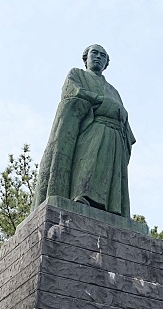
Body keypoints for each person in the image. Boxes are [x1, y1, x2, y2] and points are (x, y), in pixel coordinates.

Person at [34, 44, 136, 217]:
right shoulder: (77, 74)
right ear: (85, 58)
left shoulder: (114, 91)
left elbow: (121, 112)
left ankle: (112, 207)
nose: (98, 57)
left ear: (106, 63)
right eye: (94, 53)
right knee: (88, 161)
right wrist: (103, 102)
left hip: (115, 135)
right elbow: (74, 93)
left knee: (111, 173)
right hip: (92, 126)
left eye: (103, 56)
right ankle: (81, 196)